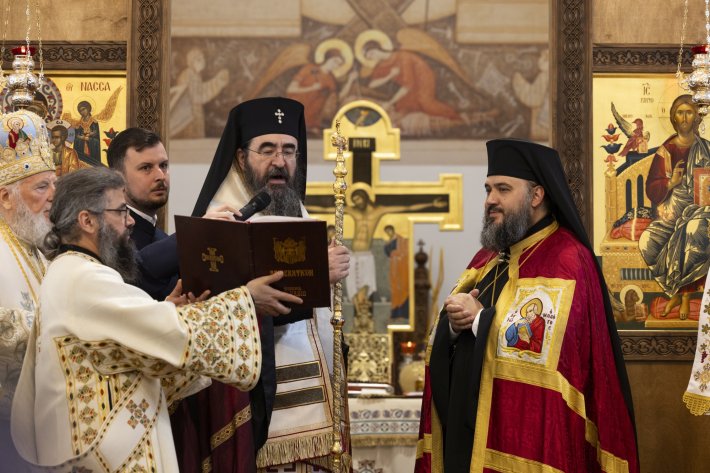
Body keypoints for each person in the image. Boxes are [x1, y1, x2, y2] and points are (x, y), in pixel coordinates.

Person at [10, 166, 295, 471]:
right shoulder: (83, 279)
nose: (130, 220)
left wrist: (170, 311)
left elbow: (133, 355)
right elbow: (172, 334)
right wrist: (246, 299)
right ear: (87, 220)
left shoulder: (72, 272)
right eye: (121, 211)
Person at [415, 139, 638, 472]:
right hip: (465, 440)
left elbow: (551, 354)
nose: (490, 200)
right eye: (488, 189)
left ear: (536, 195)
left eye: (503, 189)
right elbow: (450, 336)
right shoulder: (486, 260)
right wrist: (452, 324)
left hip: (526, 437)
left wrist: (479, 321)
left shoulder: (567, 260)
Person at [191, 96, 350, 472]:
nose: (280, 161)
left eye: (289, 150)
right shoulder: (220, 219)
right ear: (241, 157)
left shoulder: (297, 212)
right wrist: (318, 273)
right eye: (267, 149)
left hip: (313, 399)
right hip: (247, 403)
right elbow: (218, 313)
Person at [106, 127, 237, 300]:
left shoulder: (162, 237)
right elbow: (135, 274)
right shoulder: (109, 235)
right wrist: (196, 232)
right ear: (118, 178)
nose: (161, 176)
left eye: (164, 165)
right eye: (146, 168)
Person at [0, 110, 56, 471]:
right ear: (6, 197)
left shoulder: (40, 251)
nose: (54, 197)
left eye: (55, 184)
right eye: (41, 187)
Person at [638, 94, 710, 320]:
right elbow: (652, 188)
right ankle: (675, 293)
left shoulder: (706, 149)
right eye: (680, 112)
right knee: (647, 241)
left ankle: (684, 296)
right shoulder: (666, 150)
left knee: (691, 231)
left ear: (696, 117)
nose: (685, 117)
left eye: (689, 112)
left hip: (701, 210)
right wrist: (671, 183)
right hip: (672, 211)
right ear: (673, 118)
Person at [383, 224, 409, 318]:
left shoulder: (400, 240)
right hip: (394, 267)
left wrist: (395, 254)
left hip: (401, 267)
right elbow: (387, 252)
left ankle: (402, 312)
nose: (388, 233)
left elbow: (404, 252)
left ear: (393, 230)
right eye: (387, 232)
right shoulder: (389, 242)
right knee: (395, 288)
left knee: (402, 288)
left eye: (389, 231)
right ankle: (395, 312)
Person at [72, 100, 102, 166]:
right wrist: (80, 138)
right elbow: (75, 139)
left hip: (92, 152)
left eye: (84, 109)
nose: (82, 112)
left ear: (88, 109)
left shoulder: (94, 123)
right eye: (80, 111)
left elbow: (97, 141)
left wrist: (88, 139)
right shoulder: (78, 124)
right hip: (81, 151)